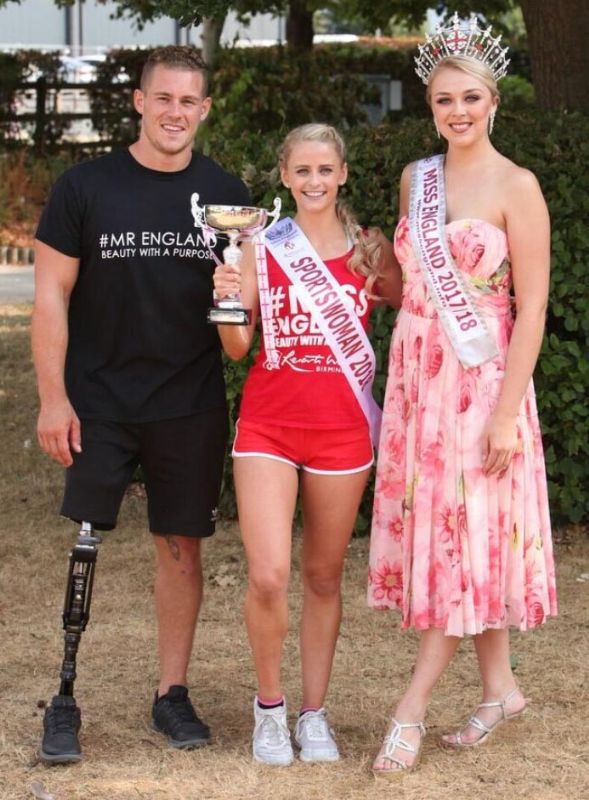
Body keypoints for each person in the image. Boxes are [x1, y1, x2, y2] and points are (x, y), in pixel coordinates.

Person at [32, 45, 251, 763]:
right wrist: (53, 398)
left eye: (189, 101)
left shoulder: (226, 194)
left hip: (186, 401)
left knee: (180, 545)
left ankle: (172, 693)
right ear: (139, 100)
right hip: (99, 398)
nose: (175, 112)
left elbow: (240, 326)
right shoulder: (85, 186)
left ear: (205, 109)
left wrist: (234, 302)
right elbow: (50, 299)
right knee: (87, 540)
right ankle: (64, 696)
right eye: (164, 98)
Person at [368, 14, 557, 776]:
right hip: (419, 380)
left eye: (471, 98)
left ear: (494, 101)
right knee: (460, 536)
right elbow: (399, 283)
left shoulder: (519, 186)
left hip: (482, 387)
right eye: (444, 99)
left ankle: (409, 708)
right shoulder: (418, 179)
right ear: (431, 105)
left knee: (460, 533)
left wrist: (508, 410)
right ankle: (498, 689)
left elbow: (534, 306)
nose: (457, 111)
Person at [213, 123, 399, 765]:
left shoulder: (372, 251)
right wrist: (228, 305)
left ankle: (314, 714)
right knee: (268, 575)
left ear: (343, 173)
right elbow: (238, 351)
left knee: (322, 577)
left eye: (325, 170)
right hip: (268, 425)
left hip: (343, 432)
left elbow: (421, 311)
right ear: (285, 178)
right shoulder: (261, 247)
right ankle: (269, 711)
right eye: (302, 171)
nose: (314, 181)